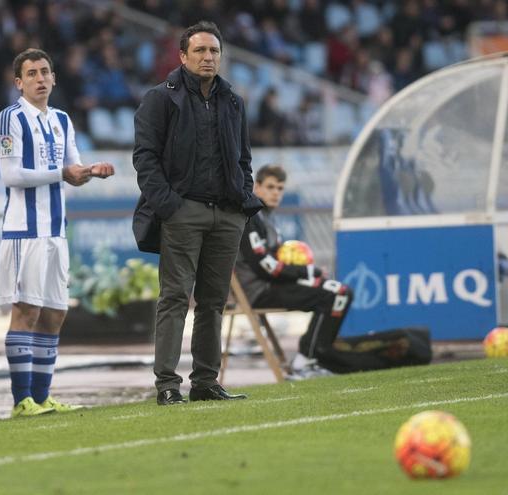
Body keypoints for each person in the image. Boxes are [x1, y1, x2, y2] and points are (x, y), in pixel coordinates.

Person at [133, 21, 263, 406]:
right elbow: (145, 159)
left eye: (214, 51)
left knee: (213, 302)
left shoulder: (233, 100)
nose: (208, 57)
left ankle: (205, 381)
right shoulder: (160, 98)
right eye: (200, 50)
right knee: (175, 298)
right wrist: (170, 207)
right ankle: (167, 384)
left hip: (226, 214)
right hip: (183, 211)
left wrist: (242, 199)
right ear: (183, 56)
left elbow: (243, 158)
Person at [0, 48, 114, 417]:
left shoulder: (62, 119)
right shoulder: (10, 119)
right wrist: (63, 174)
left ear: (54, 78)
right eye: (31, 73)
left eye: (45, 71)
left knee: (55, 313)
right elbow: (11, 176)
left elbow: (73, 170)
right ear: (19, 82)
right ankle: (21, 401)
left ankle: (42, 397)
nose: (40, 79)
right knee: (27, 311)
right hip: (24, 232)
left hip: (56, 230)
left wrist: (90, 171)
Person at [235, 164, 353, 378]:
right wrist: (307, 272)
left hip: (273, 285)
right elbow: (265, 267)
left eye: (280, 188)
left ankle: (312, 359)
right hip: (259, 290)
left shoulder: (266, 218)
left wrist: (309, 272)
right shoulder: (250, 217)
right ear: (257, 187)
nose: (276, 193)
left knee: (340, 292)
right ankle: (305, 363)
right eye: (270, 187)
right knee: (337, 294)